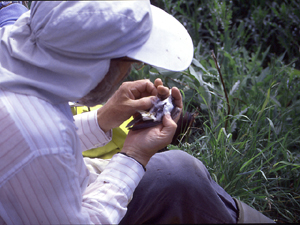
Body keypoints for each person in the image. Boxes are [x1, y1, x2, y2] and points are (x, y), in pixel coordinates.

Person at [0, 1, 274, 224]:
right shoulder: (41, 142)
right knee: (182, 180)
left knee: (181, 170)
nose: (130, 71)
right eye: (129, 60)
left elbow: (29, 144)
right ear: (90, 64)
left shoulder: (18, 59)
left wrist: (103, 118)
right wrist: (134, 155)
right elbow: (40, 147)